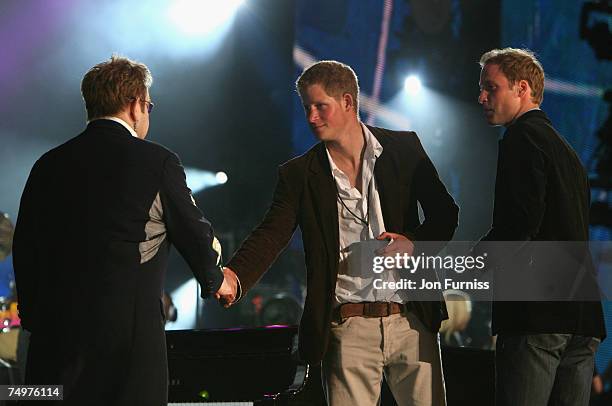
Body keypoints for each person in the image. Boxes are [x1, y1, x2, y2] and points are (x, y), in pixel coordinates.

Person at [221, 60, 458, 405]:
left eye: (321, 107)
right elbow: (271, 233)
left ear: (348, 102)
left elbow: (445, 213)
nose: (311, 117)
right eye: (307, 108)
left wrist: (414, 244)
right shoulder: (300, 174)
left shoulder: (404, 149)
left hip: (411, 320)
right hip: (347, 328)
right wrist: (235, 275)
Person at [12, 55, 236, 406]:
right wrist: (217, 279)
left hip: (52, 348)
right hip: (126, 351)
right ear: (134, 105)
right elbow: (196, 233)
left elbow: (24, 249)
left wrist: (34, 319)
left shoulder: (47, 165)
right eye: (148, 105)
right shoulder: (156, 162)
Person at [476, 48, 606, 406]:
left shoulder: (522, 138)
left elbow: (519, 226)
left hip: (537, 315)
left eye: (491, 87)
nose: (481, 97)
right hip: (581, 317)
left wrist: (467, 266)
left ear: (522, 88)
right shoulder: (567, 151)